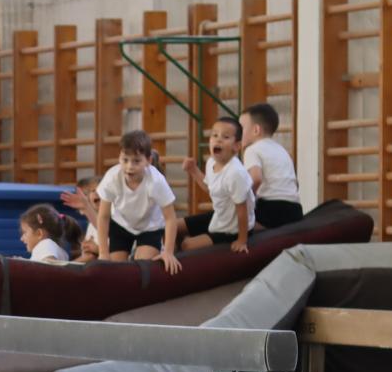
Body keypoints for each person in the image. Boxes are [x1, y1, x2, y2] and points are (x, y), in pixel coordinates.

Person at [95, 130, 185, 271]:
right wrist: (103, 252)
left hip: (150, 227)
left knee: (143, 266)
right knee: (115, 269)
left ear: (148, 161)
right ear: (119, 158)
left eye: (136, 161)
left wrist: (168, 252)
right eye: (125, 160)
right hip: (121, 225)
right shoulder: (112, 178)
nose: (129, 166)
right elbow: (103, 216)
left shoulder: (156, 181)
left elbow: (170, 218)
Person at [180, 117, 255, 253]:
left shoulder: (235, 173)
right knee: (173, 227)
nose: (218, 140)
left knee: (187, 245)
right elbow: (211, 189)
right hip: (219, 218)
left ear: (237, 146)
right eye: (214, 135)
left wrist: (242, 240)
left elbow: (242, 210)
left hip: (232, 229)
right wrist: (193, 170)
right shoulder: (211, 162)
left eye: (225, 137)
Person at [240, 103, 303, 229]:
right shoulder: (282, 150)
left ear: (256, 130)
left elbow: (256, 178)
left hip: (272, 208)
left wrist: (244, 201)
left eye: (241, 128)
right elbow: (295, 183)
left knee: (231, 220)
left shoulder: (252, 150)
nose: (237, 133)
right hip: (295, 210)